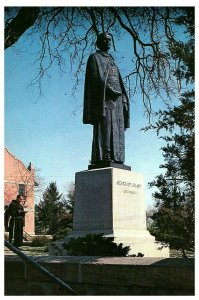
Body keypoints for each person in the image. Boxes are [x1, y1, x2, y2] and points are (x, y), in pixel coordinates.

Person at [83, 32, 130, 166]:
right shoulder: (95, 58)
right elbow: (94, 79)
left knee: (117, 129)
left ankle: (118, 157)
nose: (108, 42)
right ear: (98, 42)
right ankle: (105, 156)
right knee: (106, 128)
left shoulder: (112, 60)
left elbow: (120, 82)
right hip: (104, 100)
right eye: (105, 40)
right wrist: (108, 89)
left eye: (110, 40)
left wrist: (124, 99)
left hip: (118, 101)